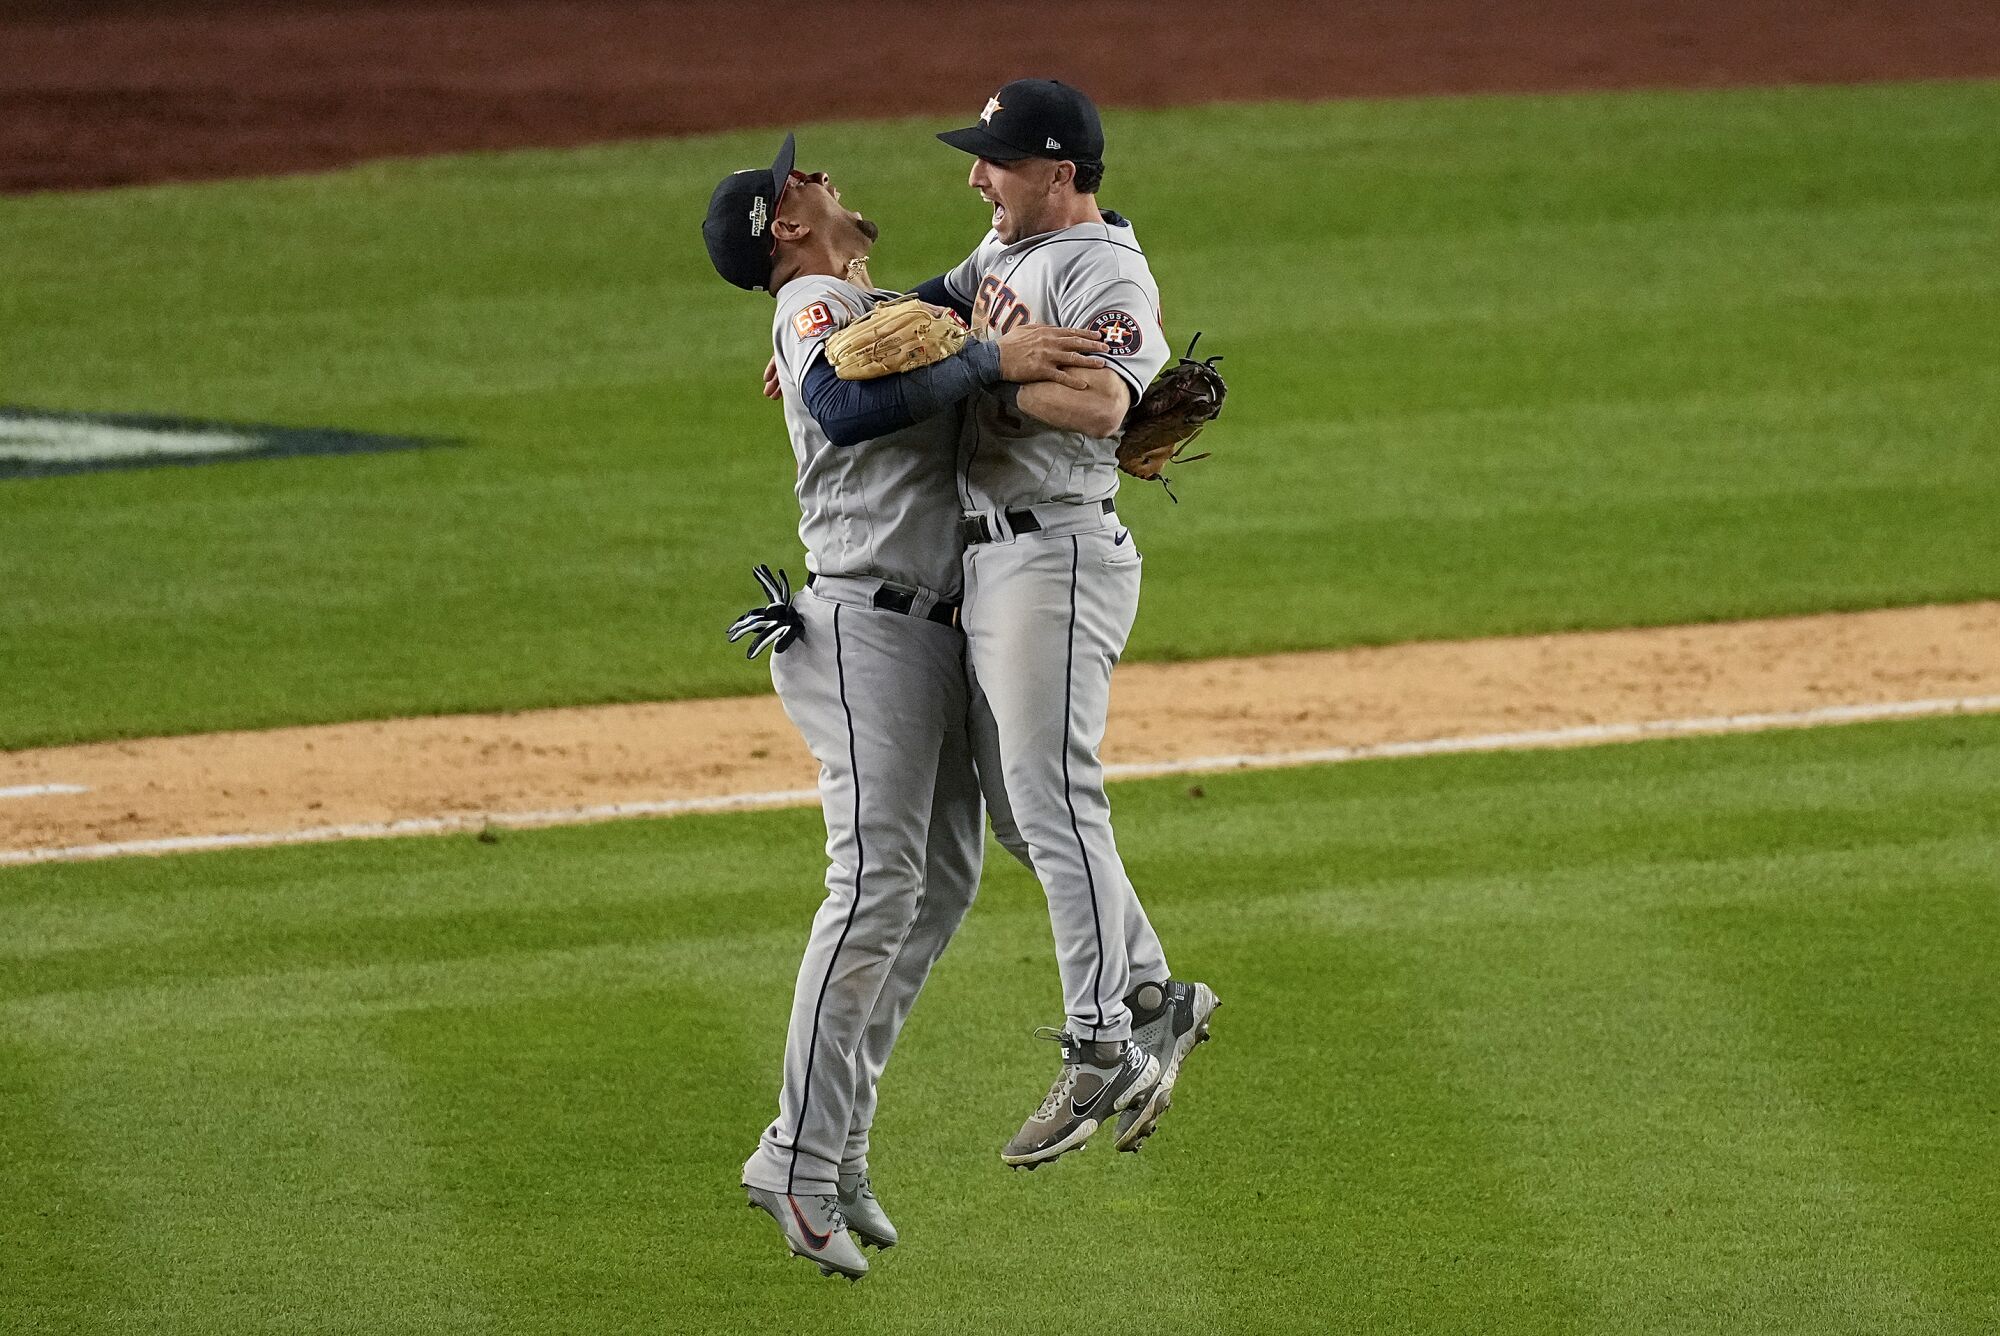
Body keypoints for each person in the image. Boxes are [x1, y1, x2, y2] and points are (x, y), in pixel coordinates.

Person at [702, 134, 1109, 1279]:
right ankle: (793, 1155)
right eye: (804, 180)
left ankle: (832, 1143)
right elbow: (837, 402)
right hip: (865, 625)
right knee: (875, 881)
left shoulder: (859, 298)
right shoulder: (818, 300)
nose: (824, 175)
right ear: (787, 228)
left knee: (938, 881)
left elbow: (957, 297)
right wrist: (990, 362)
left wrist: (1031, 257)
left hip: (921, 626)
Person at [910, 79, 1221, 1169]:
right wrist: (828, 344)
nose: (974, 176)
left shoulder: (1103, 269)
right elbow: (923, 311)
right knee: (1018, 809)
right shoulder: (997, 257)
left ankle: (1100, 1042)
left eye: (993, 160)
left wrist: (975, 377)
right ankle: (1150, 992)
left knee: (1052, 794)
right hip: (993, 558)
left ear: (1057, 171)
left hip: (1058, 552)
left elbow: (1102, 405)